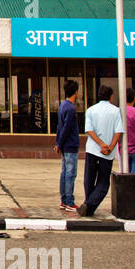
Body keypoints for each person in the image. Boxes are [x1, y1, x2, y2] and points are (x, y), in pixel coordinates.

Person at [77, 85, 122, 218]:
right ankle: (89, 205)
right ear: (111, 96)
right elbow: (118, 131)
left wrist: (101, 144)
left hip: (93, 149)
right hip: (107, 153)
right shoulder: (116, 111)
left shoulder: (91, 110)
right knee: (103, 182)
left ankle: (88, 205)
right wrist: (109, 146)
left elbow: (89, 130)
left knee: (89, 179)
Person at [54, 79, 80, 213]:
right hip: (70, 145)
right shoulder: (70, 108)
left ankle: (64, 200)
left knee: (64, 172)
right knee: (70, 173)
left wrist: (58, 142)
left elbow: (59, 127)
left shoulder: (62, 106)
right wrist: (60, 142)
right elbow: (66, 128)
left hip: (64, 145)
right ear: (76, 91)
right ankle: (69, 201)